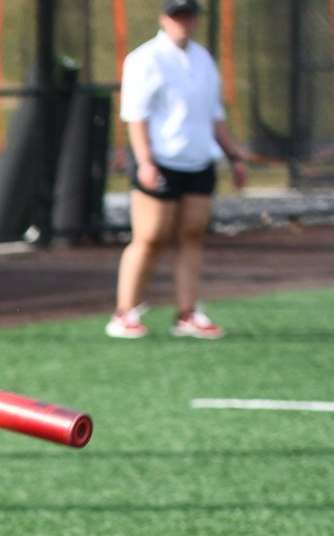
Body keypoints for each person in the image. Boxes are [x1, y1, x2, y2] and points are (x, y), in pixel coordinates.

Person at [107, 0, 254, 341]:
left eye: (188, 14)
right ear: (163, 18)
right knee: (150, 236)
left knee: (192, 234)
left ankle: (187, 313)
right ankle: (124, 311)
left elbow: (215, 115)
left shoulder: (203, 59)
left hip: (198, 161)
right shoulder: (145, 59)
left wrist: (234, 156)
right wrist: (145, 162)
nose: (183, 22)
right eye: (176, 15)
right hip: (162, 162)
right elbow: (135, 116)